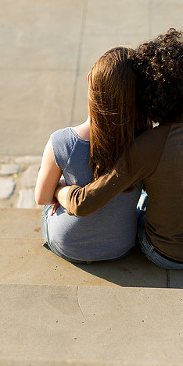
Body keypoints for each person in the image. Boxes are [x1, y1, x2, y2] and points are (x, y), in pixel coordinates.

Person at [55, 29, 183, 269]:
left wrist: (59, 190)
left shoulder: (148, 146)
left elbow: (82, 204)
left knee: (137, 205)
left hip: (167, 254)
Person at [34, 46, 146, 263]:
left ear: (89, 80)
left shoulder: (62, 141)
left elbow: (42, 197)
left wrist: (60, 189)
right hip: (121, 245)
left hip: (68, 244)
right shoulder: (145, 141)